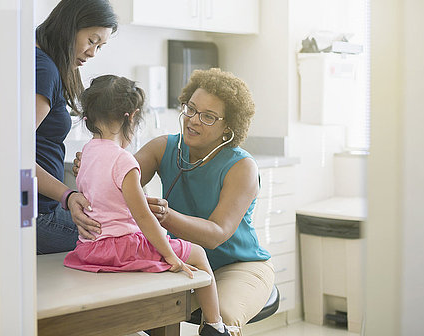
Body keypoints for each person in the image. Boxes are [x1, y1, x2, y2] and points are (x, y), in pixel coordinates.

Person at [72, 68, 275, 336]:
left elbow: (216, 235)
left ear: (229, 127)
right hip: (179, 257)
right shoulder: (164, 147)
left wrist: (167, 217)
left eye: (208, 116)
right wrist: (87, 177)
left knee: (222, 317)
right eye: (190, 109)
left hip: (237, 265)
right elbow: (118, 179)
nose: (193, 120)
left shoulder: (242, 167)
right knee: (156, 308)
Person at [35, 0, 118, 254]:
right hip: (37, 216)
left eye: (99, 47)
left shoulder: (39, 60)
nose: (92, 53)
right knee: (132, 234)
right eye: (91, 40)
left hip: (36, 209)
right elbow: (13, 154)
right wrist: (67, 196)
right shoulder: (44, 69)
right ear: (71, 26)